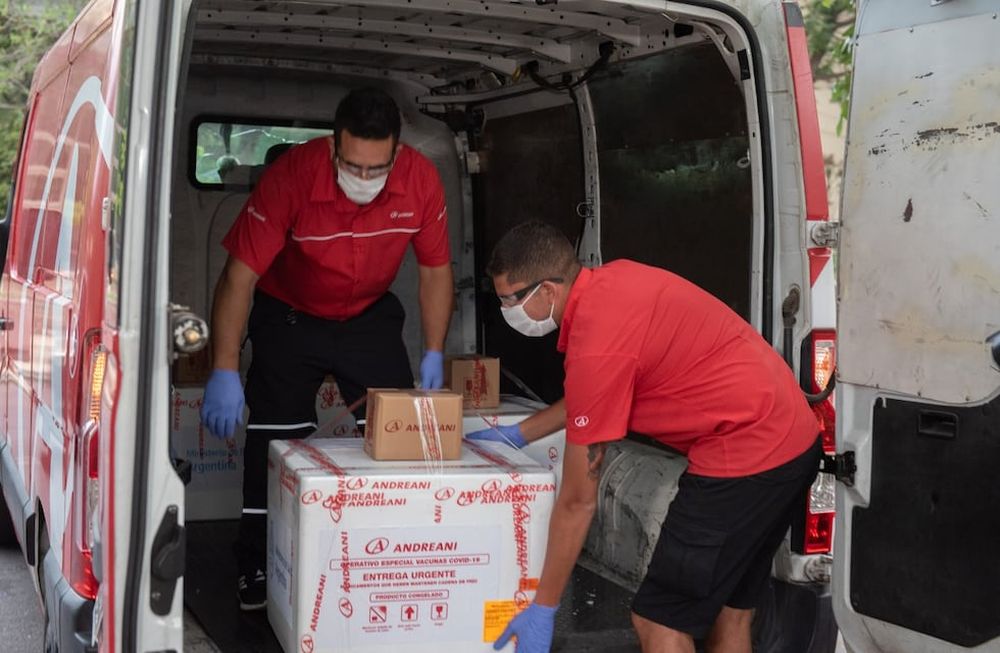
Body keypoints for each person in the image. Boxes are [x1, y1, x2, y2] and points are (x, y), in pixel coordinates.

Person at [467, 222, 820, 653]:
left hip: (743, 456)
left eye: (511, 299)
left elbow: (578, 501)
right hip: (793, 440)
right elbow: (592, 394)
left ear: (547, 290)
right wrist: (518, 434)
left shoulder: (596, 341)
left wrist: (544, 607)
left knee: (659, 620)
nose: (506, 310)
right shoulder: (615, 283)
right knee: (731, 611)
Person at [199, 87, 454, 610]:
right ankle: (255, 559)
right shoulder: (292, 176)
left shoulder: (421, 180)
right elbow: (239, 277)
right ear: (334, 147)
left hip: (368, 314)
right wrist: (224, 367)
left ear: (397, 153)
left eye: (376, 168)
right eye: (352, 166)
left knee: (396, 436)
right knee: (275, 439)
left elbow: (435, 272)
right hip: (291, 312)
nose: (363, 179)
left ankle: (383, 549)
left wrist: (434, 348)